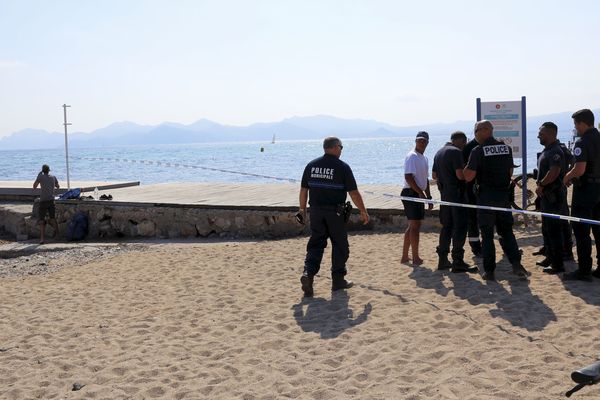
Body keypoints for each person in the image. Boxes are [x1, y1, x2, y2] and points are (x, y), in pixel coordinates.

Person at [298, 137, 370, 297]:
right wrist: (363, 211)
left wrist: (302, 210)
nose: (342, 150)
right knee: (340, 246)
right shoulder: (342, 167)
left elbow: (303, 190)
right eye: (341, 147)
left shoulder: (311, 165)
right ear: (335, 147)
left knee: (315, 245)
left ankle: (308, 275)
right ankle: (338, 281)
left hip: (315, 212)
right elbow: (353, 193)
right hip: (335, 214)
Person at [464, 120, 530, 281]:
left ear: (484, 130)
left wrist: (466, 167)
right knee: (507, 232)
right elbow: (509, 172)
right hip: (503, 197)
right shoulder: (505, 149)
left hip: (486, 198)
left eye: (475, 131)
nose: (474, 135)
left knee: (487, 235)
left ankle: (489, 271)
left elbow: (468, 177)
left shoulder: (477, 151)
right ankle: (516, 264)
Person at [563, 109, 600, 281]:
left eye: (576, 125)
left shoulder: (582, 142)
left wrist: (567, 176)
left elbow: (580, 169)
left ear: (582, 123)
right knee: (598, 228)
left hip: (586, 191)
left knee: (581, 229)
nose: (576, 129)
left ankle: (584, 269)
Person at [432, 131, 476, 273]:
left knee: (447, 227)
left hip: (444, 195)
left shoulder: (439, 152)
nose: (464, 147)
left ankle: (443, 259)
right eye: (464, 143)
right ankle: (458, 261)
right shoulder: (456, 152)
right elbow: (460, 175)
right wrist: (469, 175)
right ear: (461, 141)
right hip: (457, 195)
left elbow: (434, 175)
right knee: (460, 227)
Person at [534, 122, 568, 274]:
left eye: (541, 134)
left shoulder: (555, 151)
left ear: (550, 134)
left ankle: (558, 264)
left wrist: (541, 184)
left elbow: (554, 172)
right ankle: (549, 257)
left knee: (554, 230)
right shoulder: (547, 150)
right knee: (547, 229)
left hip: (554, 196)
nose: (538, 136)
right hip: (546, 197)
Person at [401, 131, 433, 265]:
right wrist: (420, 193)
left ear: (427, 142)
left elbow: (424, 179)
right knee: (415, 226)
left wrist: (429, 196)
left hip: (417, 192)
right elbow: (408, 177)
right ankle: (415, 257)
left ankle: (404, 257)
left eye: (424, 141)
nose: (421, 142)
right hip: (410, 193)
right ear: (415, 141)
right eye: (419, 140)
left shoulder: (424, 158)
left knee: (414, 225)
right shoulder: (412, 156)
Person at [463, 134, 482, 256]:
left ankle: (480, 248)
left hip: (483, 190)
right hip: (472, 190)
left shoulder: (486, 146)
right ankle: (476, 248)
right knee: (473, 220)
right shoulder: (469, 148)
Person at [33, 164, 60, 244]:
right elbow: (58, 186)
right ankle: (58, 234)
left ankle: (42, 239)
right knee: (52, 218)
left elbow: (34, 186)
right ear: (49, 170)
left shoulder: (40, 177)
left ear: (42, 170)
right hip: (51, 200)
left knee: (42, 220)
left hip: (43, 201)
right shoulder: (53, 177)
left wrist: (38, 176)